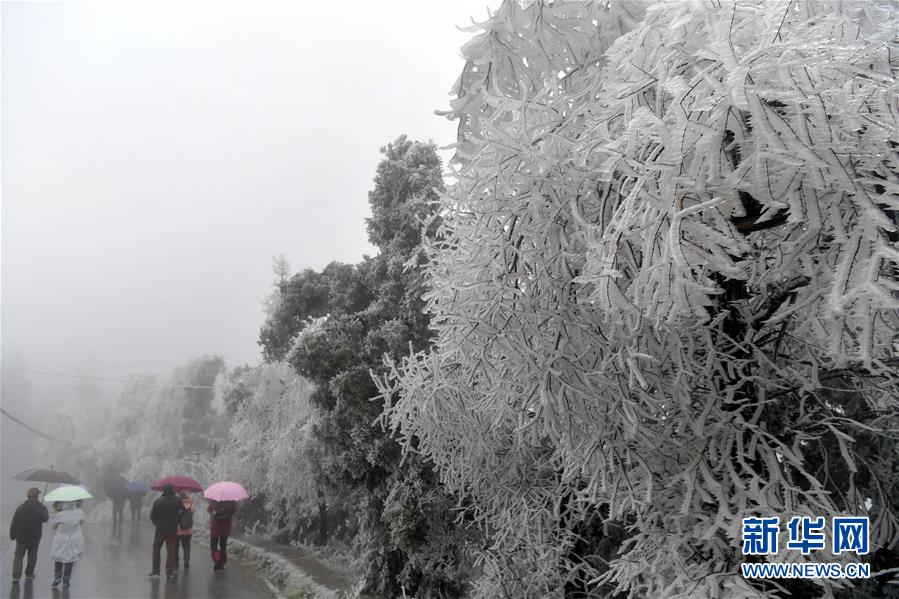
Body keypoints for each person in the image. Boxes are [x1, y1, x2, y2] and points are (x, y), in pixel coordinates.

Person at [9, 487, 49, 584]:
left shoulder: (21, 508)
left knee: (18, 556)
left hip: (21, 537)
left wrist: (12, 534)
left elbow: (14, 522)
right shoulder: (40, 507)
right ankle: (29, 574)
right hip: (35, 538)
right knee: (32, 555)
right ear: (37, 496)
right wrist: (43, 508)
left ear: (28, 496)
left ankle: (16, 576)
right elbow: (45, 519)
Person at [149, 484, 184, 578]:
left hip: (160, 529)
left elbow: (152, 516)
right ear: (172, 490)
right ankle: (169, 572)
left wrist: (158, 524)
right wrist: (176, 522)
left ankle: (156, 571)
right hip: (172, 529)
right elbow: (182, 513)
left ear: (163, 491)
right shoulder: (178, 501)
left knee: (156, 549)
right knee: (171, 550)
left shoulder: (158, 501)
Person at [49, 501, 84, 589]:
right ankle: (66, 581)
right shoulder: (79, 512)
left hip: (61, 538)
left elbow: (54, 527)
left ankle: (57, 577)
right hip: (74, 538)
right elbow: (81, 522)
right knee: (70, 559)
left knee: (58, 557)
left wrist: (57, 512)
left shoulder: (60, 515)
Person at [207, 500, 237, 570]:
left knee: (213, 543)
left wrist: (214, 512)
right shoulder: (231, 500)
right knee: (223, 543)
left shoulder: (215, 499)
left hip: (216, 525)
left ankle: (217, 558)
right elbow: (233, 511)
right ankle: (222, 561)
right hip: (226, 526)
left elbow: (209, 509)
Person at [174, 490, 196, 570]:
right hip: (188, 529)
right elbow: (192, 513)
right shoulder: (191, 503)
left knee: (176, 546)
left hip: (178, 529)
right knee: (186, 545)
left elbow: (175, 514)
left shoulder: (176, 503)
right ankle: (186, 560)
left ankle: (176, 562)